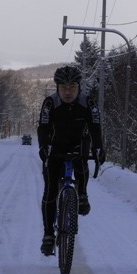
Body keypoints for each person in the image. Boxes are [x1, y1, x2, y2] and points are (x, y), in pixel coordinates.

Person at [37, 65, 105, 256]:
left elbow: (95, 127)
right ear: (57, 88)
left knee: (81, 161)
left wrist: (98, 148)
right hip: (55, 147)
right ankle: (48, 234)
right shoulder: (50, 103)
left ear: (79, 87)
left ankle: (82, 194)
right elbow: (42, 128)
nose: (68, 92)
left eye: (72, 88)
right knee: (50, 190)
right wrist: (43, 147)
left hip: (78, 145)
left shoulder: (88, 103)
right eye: (64, 88)